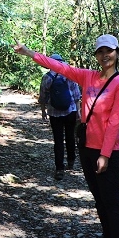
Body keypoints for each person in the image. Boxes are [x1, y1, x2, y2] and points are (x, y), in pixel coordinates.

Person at [13, 35, 119, 238]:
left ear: (117, 52)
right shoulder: (88, 77)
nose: (104, 55)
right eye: (100, 51)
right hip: (87, 147)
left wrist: (105, 155)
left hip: (106, 153)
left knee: (112, 204)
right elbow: (60, 67)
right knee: (100, 202)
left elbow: (114, 123)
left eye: (108, 51)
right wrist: (29, 53)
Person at [38, 53, 82, 181]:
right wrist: (78, 111)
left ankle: (59, 169)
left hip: (54, 112)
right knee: (70, 136)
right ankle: (71, 160)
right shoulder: (70, 75)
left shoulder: (47, 77)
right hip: (71, 111)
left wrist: (43, 111)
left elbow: (43, 97)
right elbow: (76, 95)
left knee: (58, 140)